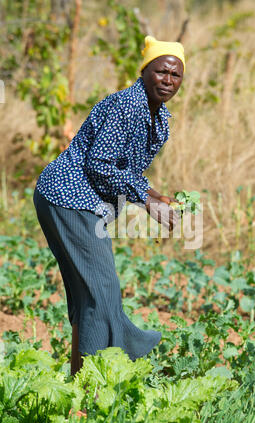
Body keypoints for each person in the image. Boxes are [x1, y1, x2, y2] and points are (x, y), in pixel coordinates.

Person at [33, 35, 185, 375]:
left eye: (176, 75)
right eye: (161, 71)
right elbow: (100, 164)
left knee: (91, 297)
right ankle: (90, 391)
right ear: (145, 70)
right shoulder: (126, 105)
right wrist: (146, 201)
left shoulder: (159, 118)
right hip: (69, 198)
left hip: (74, 202)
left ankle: (78, 387)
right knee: (103, 294)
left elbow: (124, 168)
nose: (168, 80)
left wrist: (156, 195)